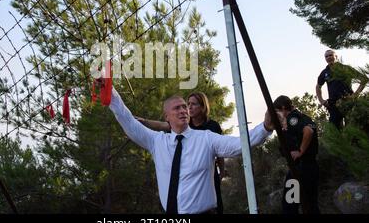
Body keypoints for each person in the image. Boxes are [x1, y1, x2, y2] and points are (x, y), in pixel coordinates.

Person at [104, 80, 275, 214]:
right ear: (167, 116)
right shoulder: (157, 141)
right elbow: (128, 120)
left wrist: (265, 127)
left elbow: (238, 145)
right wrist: (110, 92)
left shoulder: (206, 139)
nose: (183, 110)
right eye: (177, 108)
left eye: (185, 107)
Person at [136, 92, 227, 214]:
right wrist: (143, 121)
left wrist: (221, 171)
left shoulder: (212, 126)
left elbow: (219, 151)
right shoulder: (185, 124)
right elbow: (163, 125)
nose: (189, 107)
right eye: (188, 104)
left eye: (193, 104)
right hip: (186, 170)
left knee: (214, 202)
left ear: (203, 106)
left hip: (206, 171)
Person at [273, 95, 320, 214]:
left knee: (289, 205)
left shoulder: (292, 119)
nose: (277, 115)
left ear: (283, 108)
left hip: (299, 168)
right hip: (310, 167)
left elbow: (308, 131)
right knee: (311, 205)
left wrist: (300, 151)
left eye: (277, 111)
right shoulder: (303, 117)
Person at [316, 50, 365, 129]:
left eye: (330, 55)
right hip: (333, 105)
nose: (328, 57)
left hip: (348, 103)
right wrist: (321, 100)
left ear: (336, 56)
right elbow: (318, 86)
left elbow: (363, 79)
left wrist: (355, 95)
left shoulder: (345, 68)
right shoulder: (324, 72)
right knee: (334, 130)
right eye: (326, 56)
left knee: (351, 129)